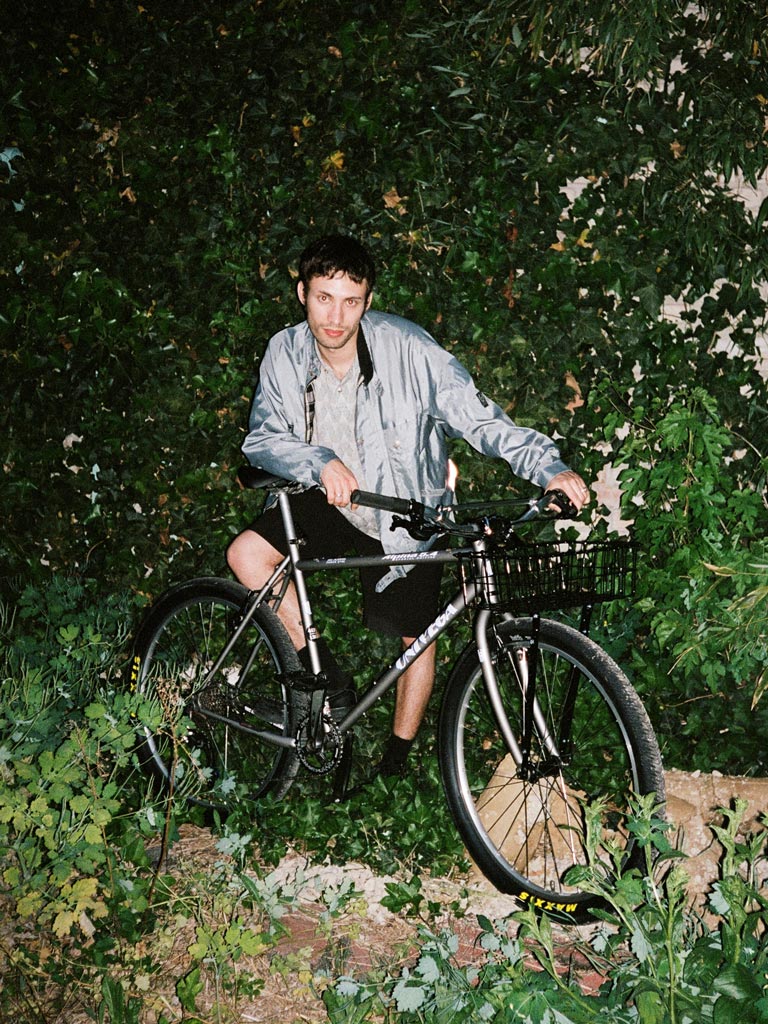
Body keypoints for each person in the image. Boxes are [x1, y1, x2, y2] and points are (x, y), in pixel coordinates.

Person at [227, 234, 589, 781]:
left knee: (416, 637)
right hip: (327, 499)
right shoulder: (285, 351)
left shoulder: (409, 349)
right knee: (246, 556)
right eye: (323, 298)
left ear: (368, 301)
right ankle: (324, 681)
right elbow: (262, 438)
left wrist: (548, 467)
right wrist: (318, 462)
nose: (335, 317)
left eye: (351, 301)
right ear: (302, 293)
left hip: (405, 511)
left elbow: (479, 418)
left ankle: (395, 759)